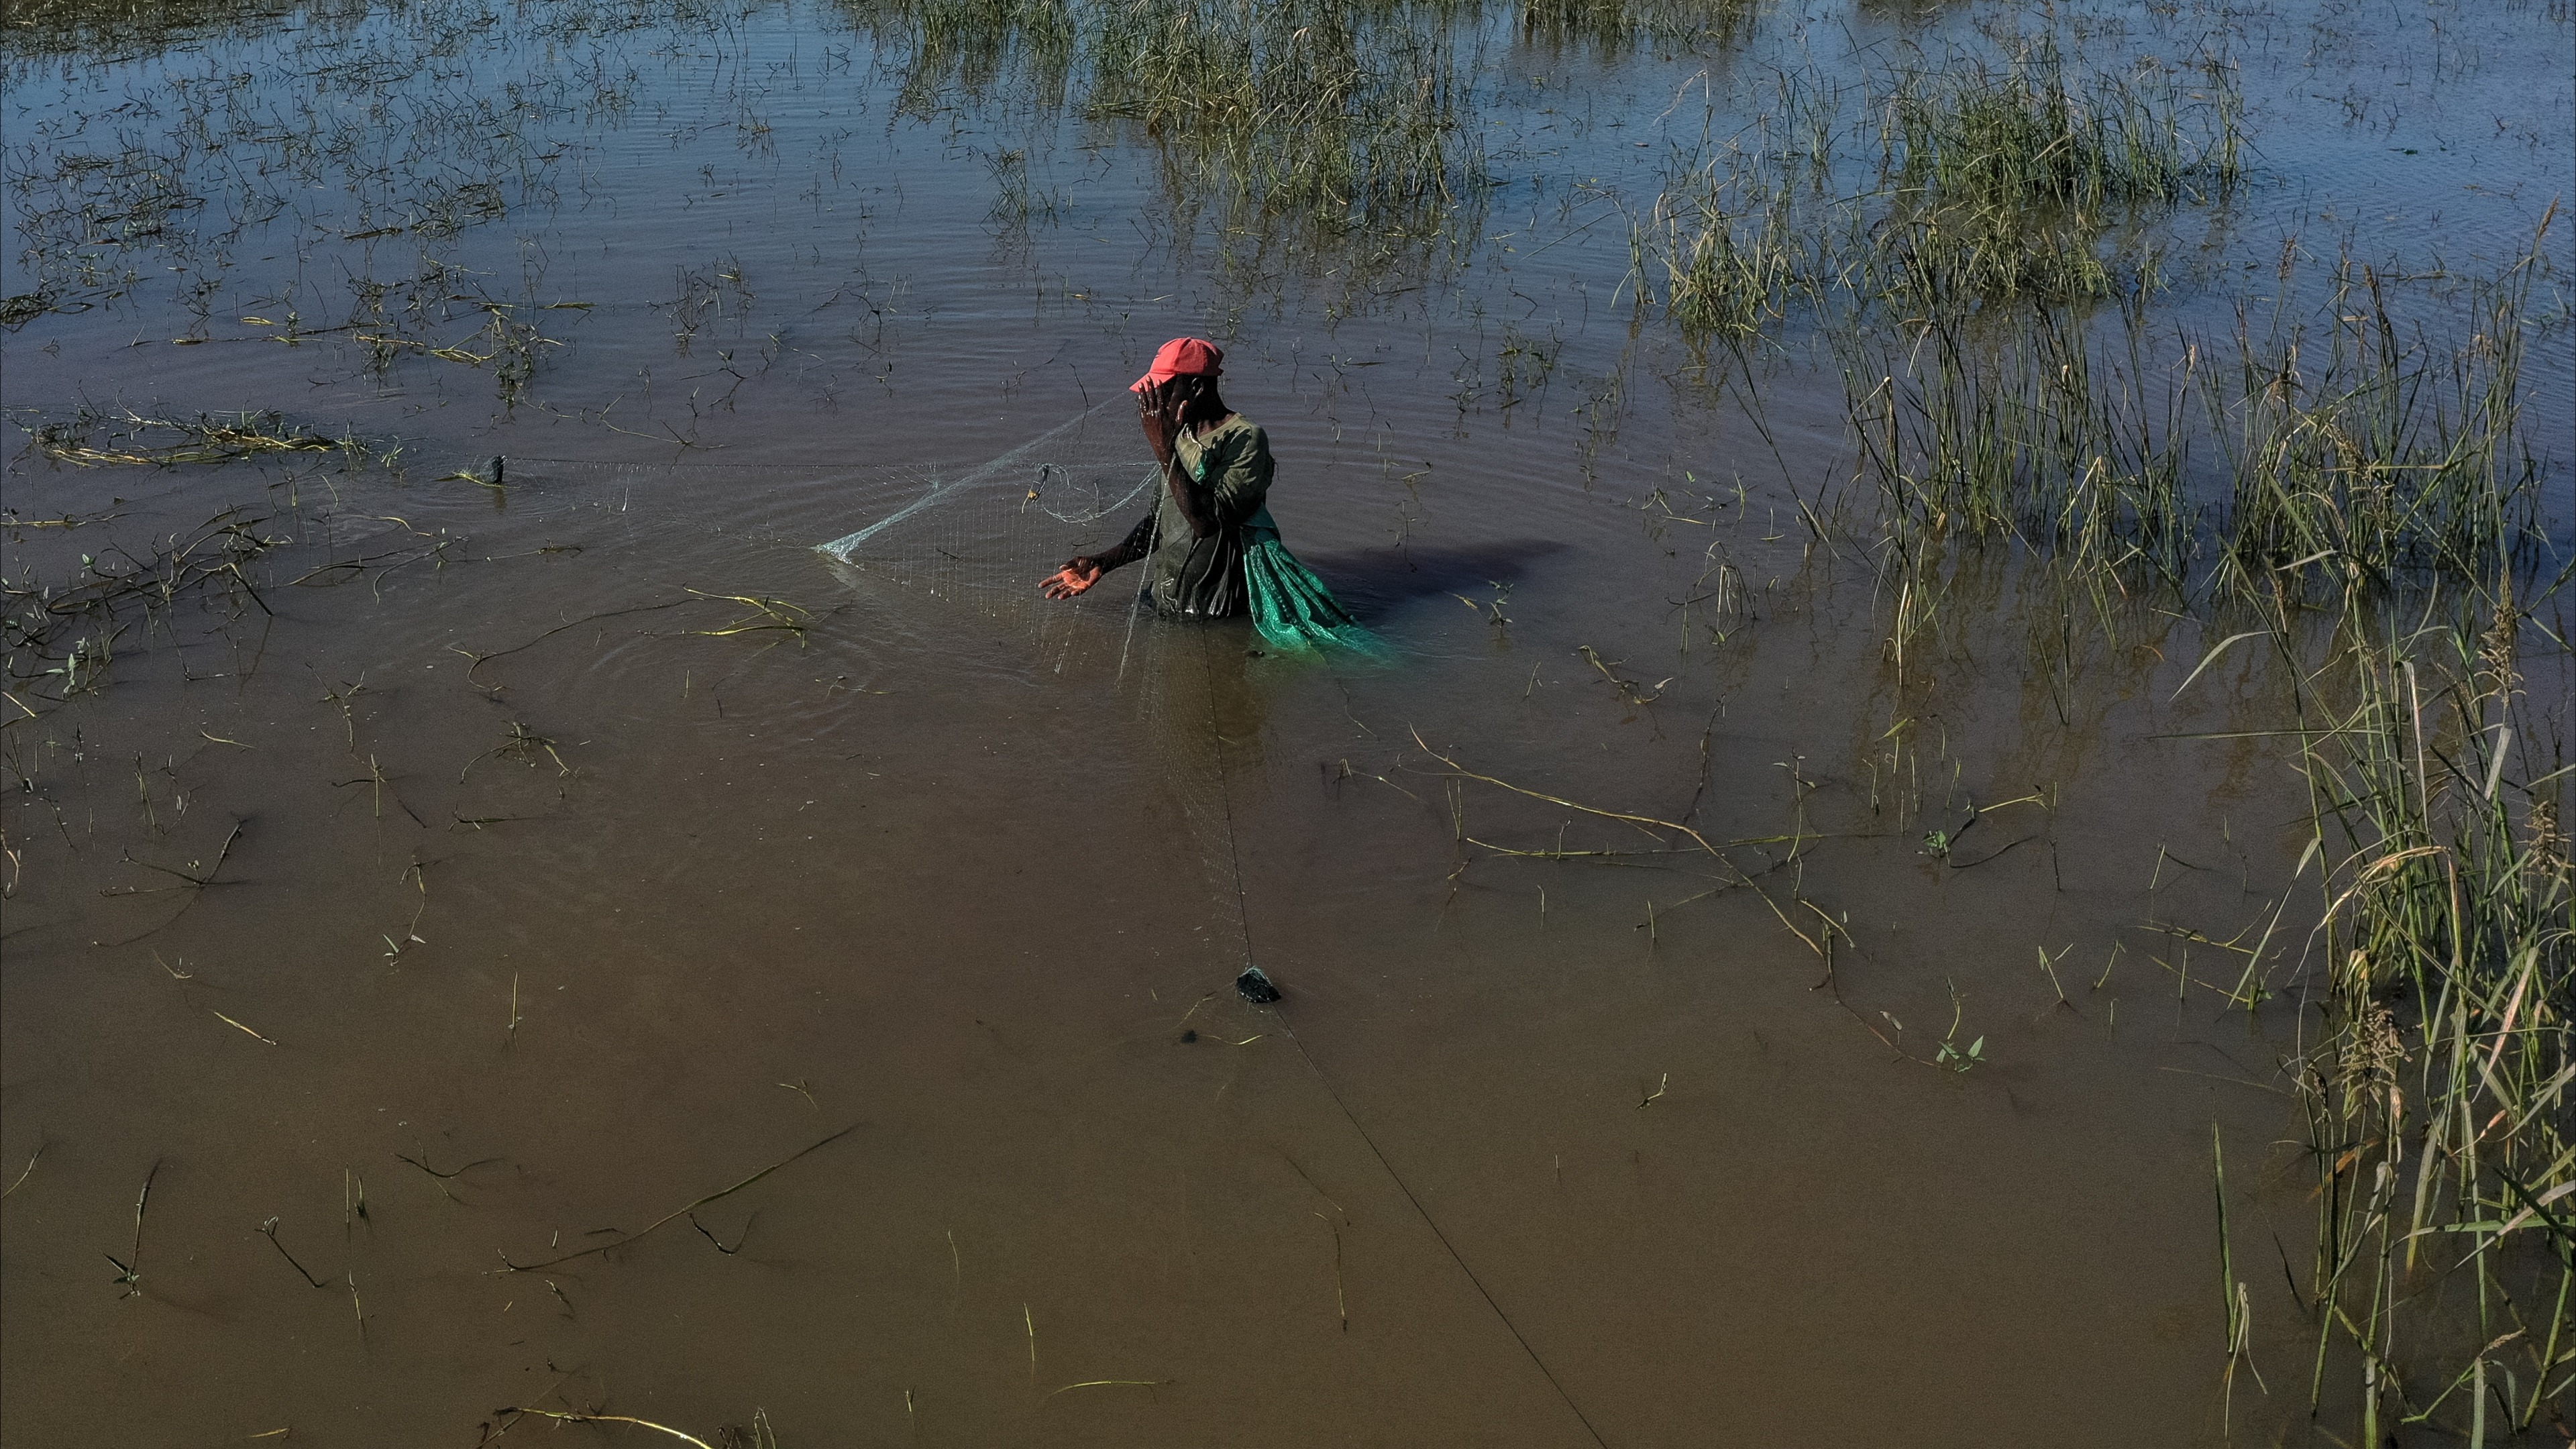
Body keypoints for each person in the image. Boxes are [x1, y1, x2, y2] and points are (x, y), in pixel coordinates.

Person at [1040, 337, 1275, 617]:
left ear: (1197, 388)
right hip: (1166, 596)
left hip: (1215, 608)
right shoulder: (1180, 434)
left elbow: (1207, 523)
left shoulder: (1245, 439)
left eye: (1161, 392)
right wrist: (1103, 562)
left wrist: (1164, 448)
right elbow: (1159, 523)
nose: (1152, 405)